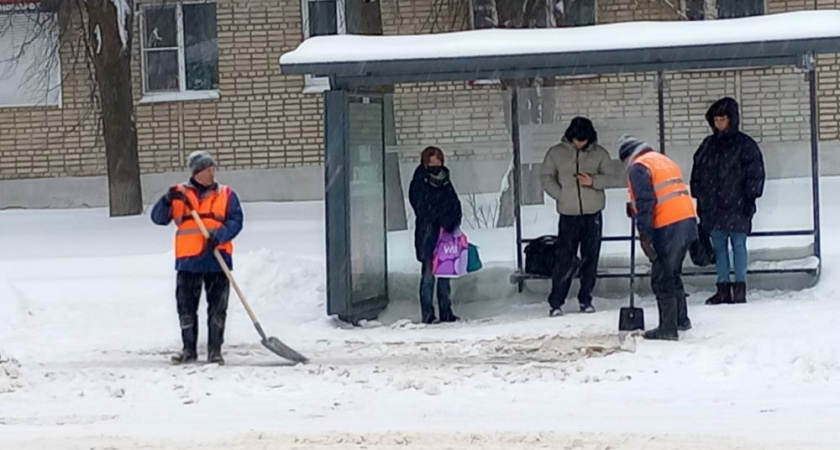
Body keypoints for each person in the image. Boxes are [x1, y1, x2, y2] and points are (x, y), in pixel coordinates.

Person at [151, 151, 244, 364]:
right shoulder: (180, 194)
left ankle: (215, 351)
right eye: (208, 169)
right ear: (197, 172)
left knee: (218, 309)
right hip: (189, 260)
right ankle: (189, 350)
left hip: (217, 259)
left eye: (213, 168)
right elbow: (158, 218)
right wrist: (166, 200)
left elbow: (236, 221)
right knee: (186, 308)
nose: (212, 172)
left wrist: (219, 235)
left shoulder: (226, 194)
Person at [540, 117, 625, 317]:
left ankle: (585, 299)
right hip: (568, 214)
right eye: (577, 140)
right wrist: (561, 195)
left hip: (592, 214)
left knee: (590, 258)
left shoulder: (600, 153)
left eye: (584, 140)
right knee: (565, 259)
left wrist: (593, 181)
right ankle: (556, 302)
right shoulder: (556, 153)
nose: (580, 144)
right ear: (570, 137)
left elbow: (613, 178)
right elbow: (546, 177)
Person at [619, 136, 697, 341]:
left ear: (627, 156)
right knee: (671, 272)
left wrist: (644, 232)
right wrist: (634, 208)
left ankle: (668, 328)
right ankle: (681, 319)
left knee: (662, 276)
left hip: (669, 225)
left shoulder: (638, 167)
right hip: (686, 221)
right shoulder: (662, 160)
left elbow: (647, 201)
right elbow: (663, 193)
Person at [690, 98, 766, 305]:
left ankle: (739, 288)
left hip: (737, 205)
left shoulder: (744, 145)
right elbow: (697, 173)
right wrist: (699, 196)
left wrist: (750, 197)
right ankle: (723, 287)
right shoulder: (708, 145)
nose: (719, 123)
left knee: (738, 245)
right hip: (714, 206)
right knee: (719, 247)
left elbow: (755, 173)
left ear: (732, 119)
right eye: (716, 119)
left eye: (722, 119)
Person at [409, 146, 463, 324]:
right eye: (431, 161)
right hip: (428, 234)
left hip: (445, 235)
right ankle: (428, 314)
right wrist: (440, 217)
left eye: (438, 161)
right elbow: (421, 207)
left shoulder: (446, 180)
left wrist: (452, 220)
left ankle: (446, 311)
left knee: (445, 275)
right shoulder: (420, 181)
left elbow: (455, 204)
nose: (435, 164)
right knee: (428, 275)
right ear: (425, 162)